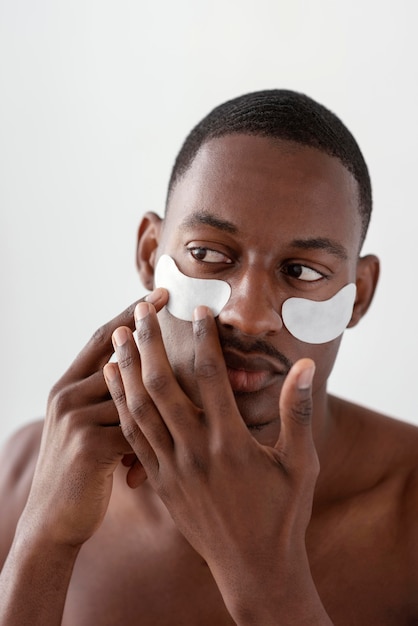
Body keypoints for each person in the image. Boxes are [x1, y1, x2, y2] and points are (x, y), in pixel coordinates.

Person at [0, 89, 417, 626]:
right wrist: (42, 544)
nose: (247, 314)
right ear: (151, 254)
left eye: (303, 272)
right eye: (208, 256)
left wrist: (266, 579)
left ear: (358, 295)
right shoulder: (28, 473)